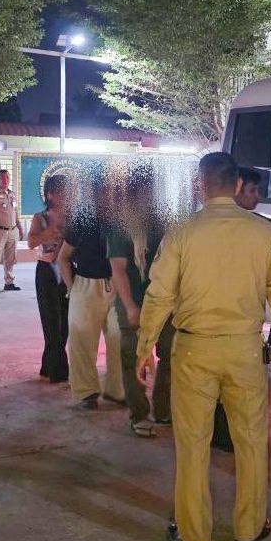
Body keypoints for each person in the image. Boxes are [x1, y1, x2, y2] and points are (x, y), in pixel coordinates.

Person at [135, 152, 271, 541]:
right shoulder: (264, 233)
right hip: (244, 349)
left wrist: (145, 347)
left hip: (194, 349)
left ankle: (195, 536)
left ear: (200, 186)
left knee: (192, 445)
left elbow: (159, 294)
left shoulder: (181, 232)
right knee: (251, 441)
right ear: (238, 185)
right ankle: (249, 529)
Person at [206, 165, 267, 453]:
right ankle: (222, 434)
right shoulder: (208, 227)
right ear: (238, 188)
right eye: (253, 190)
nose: (258, 197)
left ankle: (229, 433)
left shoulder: (259, 229)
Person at [109, 169, 174, 437]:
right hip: (133, 302)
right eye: (145, 191)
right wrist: (130, 306)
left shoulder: (164, 222)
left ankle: (163, 409)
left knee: (169, 354)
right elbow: (118, 269)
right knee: (133, 357)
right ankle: (139, 414)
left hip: (164, 303)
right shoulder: (121, 224)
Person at [59, 174, 124, 410]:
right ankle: (87, 392)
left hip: (118, 286)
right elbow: (63, 258)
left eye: (110, 191)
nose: (107, 196)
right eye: (102, 191)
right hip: (85, 286)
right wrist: (72, 288)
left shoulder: (122, 221)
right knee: (82, 340)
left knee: (120, 340)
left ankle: (118, 390)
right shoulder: (81, 220)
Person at [27, 173, 70, 383]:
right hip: (46, 272)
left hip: (68, 272)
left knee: (65, 325)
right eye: (62, 191)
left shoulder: (72, 217)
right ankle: (58, 372)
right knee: (52, 323)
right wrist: (48, 234)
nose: (66, 194)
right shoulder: (40, 217)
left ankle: (48, 366)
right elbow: (31, 242)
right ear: (50, 194)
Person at [0, 168, 23, 293]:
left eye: (7, 177)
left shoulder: (12, 194)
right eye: (2, 178)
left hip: (12, 231)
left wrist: (19, 227)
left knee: (10, 259)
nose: (5, 180)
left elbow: (15, 212)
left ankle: (9, 282)